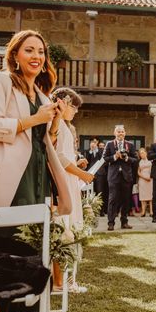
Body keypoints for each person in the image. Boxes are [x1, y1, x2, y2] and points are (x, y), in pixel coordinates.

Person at [0, 29, 72, 312]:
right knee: (1, 254)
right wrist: (32, 120)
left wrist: (51, 123)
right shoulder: (1, 81)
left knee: (25, 254)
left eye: (41, 51)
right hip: (9, 181)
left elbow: (44, 143)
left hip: (36, 181)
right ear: (15, 54)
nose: (36, 56)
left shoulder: (41, 94)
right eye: (29, 50)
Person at [51, 87, 95, 291]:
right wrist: (82, 174)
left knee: (68, 230)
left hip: (68, 180)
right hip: (63, 183)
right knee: (63, 230)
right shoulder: (57, 124)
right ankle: (60, 283)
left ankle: (67, 280)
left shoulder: (65, 126)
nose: (76, 111)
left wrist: (77, 165)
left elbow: (65, 156)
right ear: (64, 103)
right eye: (74, 107)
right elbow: (59, 158)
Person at [103, 125, 137, 231]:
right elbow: (104, 158)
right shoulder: (109, 144)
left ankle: (124, 222)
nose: (120, 133)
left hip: (126, 176)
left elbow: (135, 159)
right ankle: (111, 223)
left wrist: (126, 158)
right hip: (113, 176)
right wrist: (115, 157)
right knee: (112, 199)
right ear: (115, 133)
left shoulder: (130, 145)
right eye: (118, 131)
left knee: (126, 200)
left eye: (122, 131)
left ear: (125, 133)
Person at [137, 147, 153, 217]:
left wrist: (150, 177)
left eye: (143, 153)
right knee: (143, 197)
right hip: (142, 179)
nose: (142, 154)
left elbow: (153, 170)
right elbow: (138, 172)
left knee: (150, 196)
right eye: (140, 153)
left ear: (146, 153)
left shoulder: (150, 161)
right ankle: (143, 211)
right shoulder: (139, 162)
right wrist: (144, 177)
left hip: (150, 179)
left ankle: (151, 211)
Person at [96, 140, 109, 216]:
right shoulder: (97, 153)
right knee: (100, 192)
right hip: (100, 175)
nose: (101, 148)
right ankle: (100, 211)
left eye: (102, 146)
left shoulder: (107, 153)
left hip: (108, 175)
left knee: (107, 193)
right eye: (100, 146)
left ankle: (106, 209)